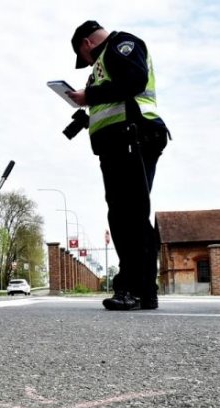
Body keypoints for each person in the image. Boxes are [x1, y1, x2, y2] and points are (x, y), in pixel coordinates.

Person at [67, 20, 170, 311]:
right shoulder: (101, 66)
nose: (87, 65)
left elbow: (135, 80)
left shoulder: (122, 44)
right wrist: (86, 112)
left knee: (131, 216)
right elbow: (110, 102)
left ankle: (135, 289)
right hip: (117, 142)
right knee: (123, 216)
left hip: (134, 135)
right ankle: (142, 291)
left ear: (86, 44)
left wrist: (89, 96)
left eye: (83, 58)